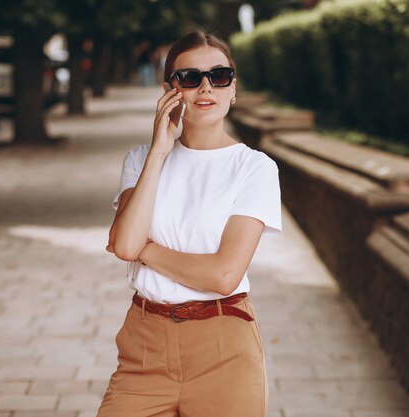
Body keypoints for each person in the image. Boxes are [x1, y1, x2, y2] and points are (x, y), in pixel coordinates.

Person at [98, 29, 282, 417]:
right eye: (189, 77)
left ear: (233, 88)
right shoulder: (141, 159)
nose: (205, 87)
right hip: (144, 344)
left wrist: (147, 250)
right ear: (169, 90)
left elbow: (223, 276)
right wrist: (160, 151)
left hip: (223, 345)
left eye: (219, 76)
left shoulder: (254, 168)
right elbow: (126, 246)